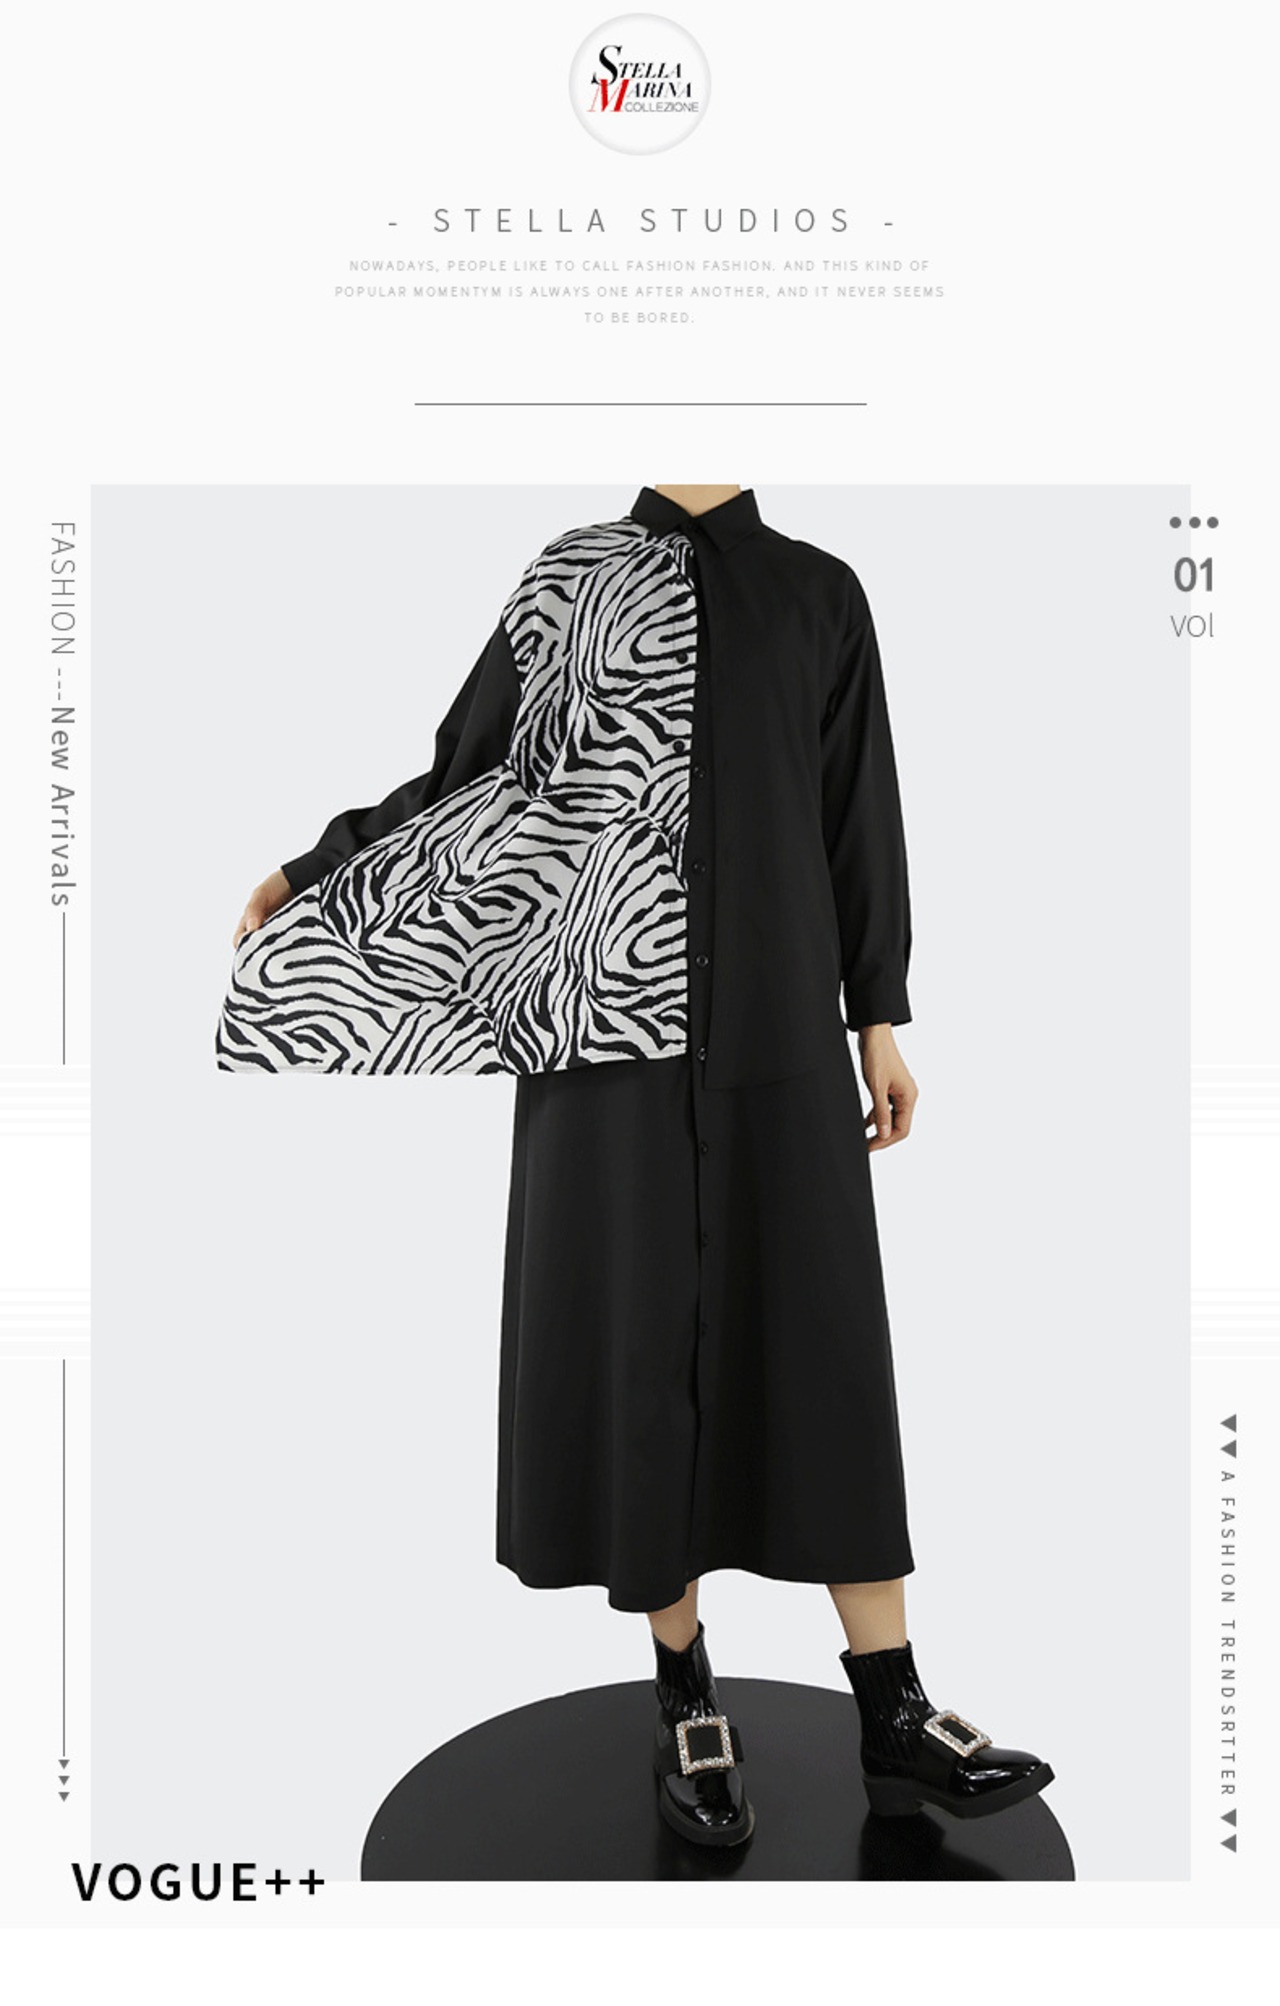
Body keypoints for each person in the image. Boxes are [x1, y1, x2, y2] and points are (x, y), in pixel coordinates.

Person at [220, 484, 1052, 1849]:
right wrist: (325, 865)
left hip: (780, 1033)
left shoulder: (821, 591)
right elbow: (474, 773)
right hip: (601, 1038)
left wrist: (879, 1016)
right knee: (638, 1355)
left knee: (825, 1351)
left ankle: (894, 1707)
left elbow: (858, 805)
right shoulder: (572, 575)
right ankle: (685, 1694)